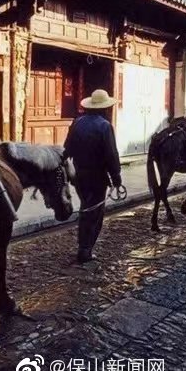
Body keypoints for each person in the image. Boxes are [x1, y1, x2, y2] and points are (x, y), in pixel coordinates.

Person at [63, 89, 122, 264]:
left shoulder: (77, 123)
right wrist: (116, 177)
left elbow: (67, 150)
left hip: (79, 176)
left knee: (85, 208)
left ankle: (83, 246)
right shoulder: (105, 126)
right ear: (104, 108)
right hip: (97, 177)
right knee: (95, 213)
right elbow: (111, 155)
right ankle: (85, 250)